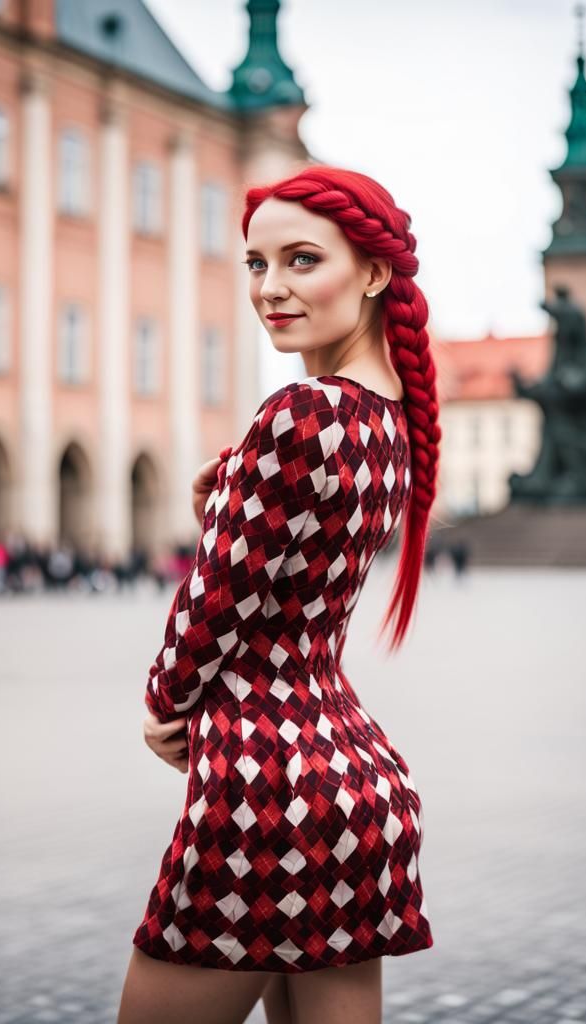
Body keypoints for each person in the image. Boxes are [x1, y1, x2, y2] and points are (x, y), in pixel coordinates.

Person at [118, 166, 441, 1024]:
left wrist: (165, 702)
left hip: (266, 793)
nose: (272, 288)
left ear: (373, 271)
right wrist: (227, 509)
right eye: (257, 265)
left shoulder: (303, 411)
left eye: (302, 260)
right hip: (352, 785)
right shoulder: (390, 425)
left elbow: (213, 607)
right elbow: (290, 576)